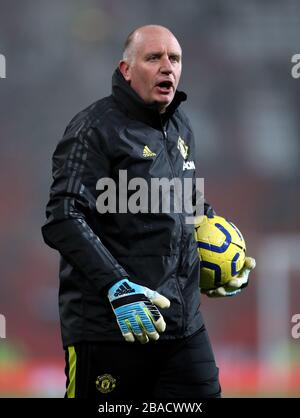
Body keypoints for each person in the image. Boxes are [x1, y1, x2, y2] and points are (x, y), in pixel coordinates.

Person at [42, 24, 255, 399]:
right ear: (126, 69)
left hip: (183, 329)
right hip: (110, 331)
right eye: (153, 58)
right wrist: (117, 288)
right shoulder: (93, 129)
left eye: (174, 58)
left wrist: (219, 257)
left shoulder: (181, 126)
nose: (167, 67)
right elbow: (63, 216)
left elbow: (183, 202)